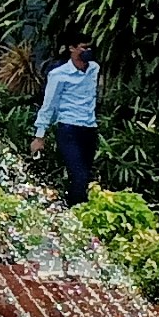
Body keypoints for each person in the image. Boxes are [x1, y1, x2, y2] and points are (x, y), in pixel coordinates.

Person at [35, 39, 101, 204]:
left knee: (84, 175)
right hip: (69, 128)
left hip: (89, 128)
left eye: (90, 47)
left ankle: (72, 207)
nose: (87, 50)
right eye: (84, 47)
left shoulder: (94, 69)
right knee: (79, 175)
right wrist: (39, 136)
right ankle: (75, 212)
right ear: (72, 48)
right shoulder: (59, 74)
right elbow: (49, 104)